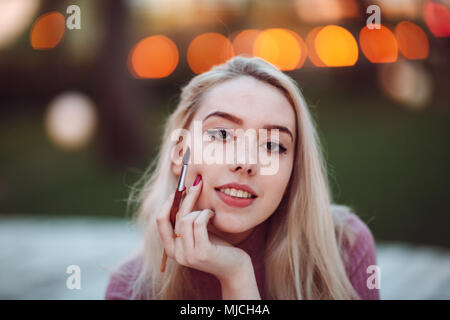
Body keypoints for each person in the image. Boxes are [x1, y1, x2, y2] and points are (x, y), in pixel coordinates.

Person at [105, 55, 379, 300]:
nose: (245, 162)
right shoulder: (130, 291)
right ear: (179, 154)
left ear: (292, 174)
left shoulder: (343, 249)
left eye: (273, 145)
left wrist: (237, 276)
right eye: (222, 135)